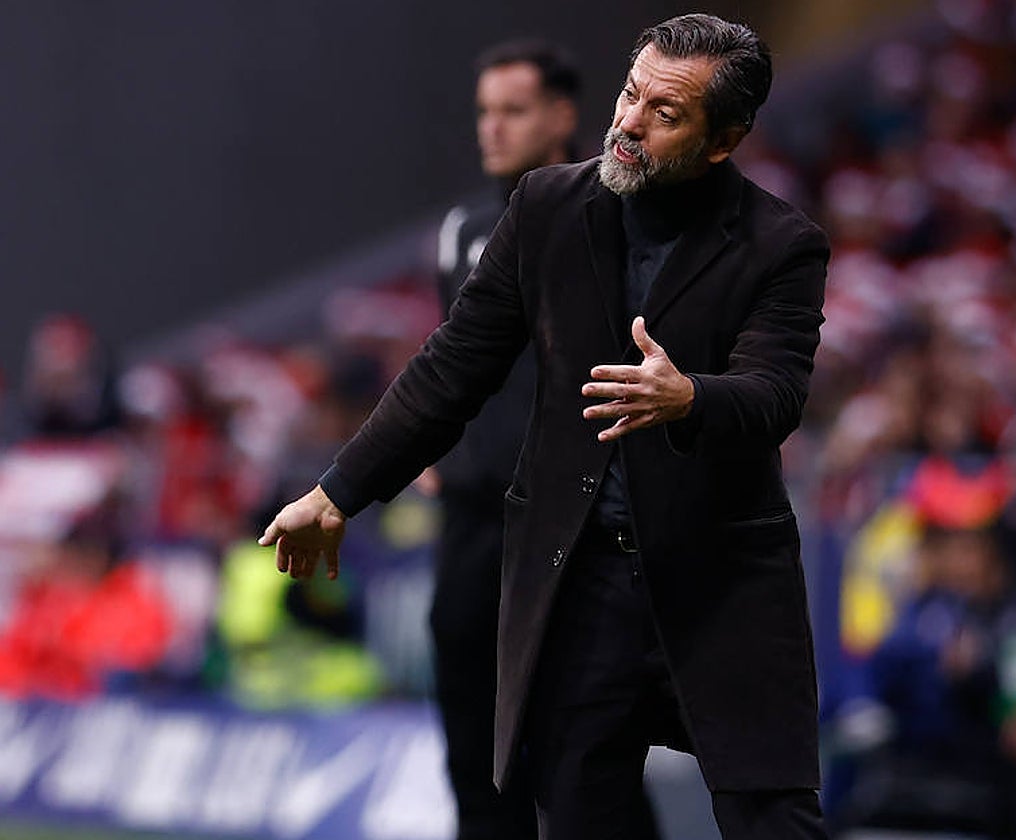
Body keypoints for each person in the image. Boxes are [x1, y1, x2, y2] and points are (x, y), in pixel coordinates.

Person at [261, 14, 831, 839]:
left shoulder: (782, 243)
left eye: (665, 112)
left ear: (723, 141)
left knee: (774, 822)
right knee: (574, 820)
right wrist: (337, 492)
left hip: (722, 584)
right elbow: (452, 366)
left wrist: (692, 398)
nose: (629, 121)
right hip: (579, 583)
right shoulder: (546, 207)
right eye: (630, 93)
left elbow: (777, 394)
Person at [426, 40, 644, 840]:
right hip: (473, 519)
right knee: (469, 723)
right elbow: (455, 360)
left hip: (568, 523)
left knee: (580, 742)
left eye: (512, 111)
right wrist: (436, 445)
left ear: (561, 116)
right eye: (485, 112)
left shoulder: (616, 218)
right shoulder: (460, 231)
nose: (492, 128)